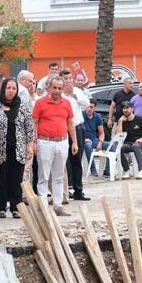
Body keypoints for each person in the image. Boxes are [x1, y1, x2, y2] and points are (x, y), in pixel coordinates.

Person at [32, 76, 77, 216]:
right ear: (48, 87)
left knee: (59, 176)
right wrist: (33, 142)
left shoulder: (67, 103)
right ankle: (43, 205)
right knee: (43, 175)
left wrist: (74, 141)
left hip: (62, 141)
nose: (57, 91)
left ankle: (58, 205)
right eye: (55, 87)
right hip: (45, 141)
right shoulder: (40, 103)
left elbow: (70, 123)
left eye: (59, 88)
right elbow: (34, 123)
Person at [0, 78, 34, 218]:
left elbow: (29, 127)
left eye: (13, 88)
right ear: (3, 89)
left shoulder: (22, 106)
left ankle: (16, 207)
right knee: (1, 177)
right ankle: (0, 207)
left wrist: (30, 145)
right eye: (8, 88)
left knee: (17, 178)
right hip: (0, 149)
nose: (11, 91)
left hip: (18, 148)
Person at [61, 69, 90, 201]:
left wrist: (74, 95)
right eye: (66, 79)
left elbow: (86, 104)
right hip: (63, 128)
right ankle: (66, 189)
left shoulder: (76, 91)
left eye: (70, 78)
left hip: (78, 127)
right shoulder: (58, 94)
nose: (69, 81)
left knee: (77, 159)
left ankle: (79, 190)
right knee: (64, 160)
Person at [115, 101, 142, 179]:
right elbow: (118, 136)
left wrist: (141, 139)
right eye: (123, 108)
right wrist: (120, 122)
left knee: (136, 146)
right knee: (119, 148)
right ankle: (127, 170)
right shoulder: (122, 121)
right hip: (128, 144)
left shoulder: (139, 119)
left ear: (132, 109)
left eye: (127, 108)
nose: (125, 110)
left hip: (141, 144)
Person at [82, 99, 107, 176]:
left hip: (94, 139)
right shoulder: (81, 115)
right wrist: (84, 139)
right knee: (88, 145)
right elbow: (77, 131)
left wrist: (100, 142)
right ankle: (93, 170)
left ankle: (107, 171)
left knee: (112, 146)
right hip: (83, 140)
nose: (89, 109)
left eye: (91, 107)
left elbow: (101, 133)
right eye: (88, 107)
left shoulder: (97, 116)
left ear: (95, 107)